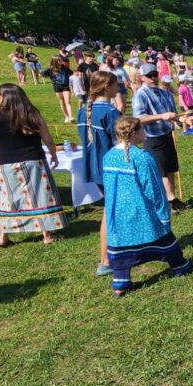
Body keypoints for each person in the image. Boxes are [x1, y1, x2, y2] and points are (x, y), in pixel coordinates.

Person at [103, 117, 193, 297]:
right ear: (134, 133)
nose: (145, 133)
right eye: (142, 130)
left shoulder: (109, 156)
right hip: (141, 211)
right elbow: (154, 189)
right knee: (165, 240)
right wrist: (163, 214)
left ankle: (120, 284)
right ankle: (182, 267)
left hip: (118, 213)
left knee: (120, 249)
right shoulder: (142, 158)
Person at [0, 84, 66, 246]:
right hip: (34, 160)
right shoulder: (31, 113)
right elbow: (47, 138)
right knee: (40, 196)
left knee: (8, 198)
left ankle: (3, 236)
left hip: (5, 163)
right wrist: (53, 153)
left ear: (2, 96)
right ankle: (47, 235)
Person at [77, 71, 122, 275]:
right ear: (106, 87)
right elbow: (121, 143)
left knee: (112, 209)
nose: (118, 88)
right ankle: (105, 260)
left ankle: (118, 250)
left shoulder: (84, 110)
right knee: (110, 211)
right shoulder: (110, 113)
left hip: (95, 168)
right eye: (116, 85)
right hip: (111, 168)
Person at [131, 63, 188, 212]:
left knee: (170, 169)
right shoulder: (140, 94)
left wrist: (183, 120)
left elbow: (173, 114)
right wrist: (162, 116)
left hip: (167, 135)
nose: (153, 78)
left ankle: (172, 199)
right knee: (160, 172)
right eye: (149, 76)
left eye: (155, 74)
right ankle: (166, 202)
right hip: (152, 138)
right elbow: (139, 118)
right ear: (142, 77)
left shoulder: (164, 93)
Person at [43, 56, 74, 123]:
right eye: (59, 60)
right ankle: (66, 117)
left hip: (65, 87)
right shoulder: (50, 69)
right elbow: (43, 74)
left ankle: (71, 117)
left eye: (61, 60)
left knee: (67, 101)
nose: (61, 61)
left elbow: (71, 73)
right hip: (57, 87)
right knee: (62, 102)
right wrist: (51, 78)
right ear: (55, 62)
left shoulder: (64, 68)